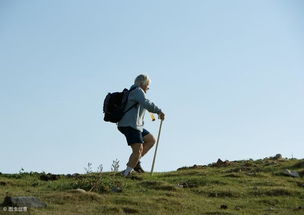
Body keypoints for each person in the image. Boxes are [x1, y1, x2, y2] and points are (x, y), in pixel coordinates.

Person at [117, 74, 165, 176]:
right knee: (138, 149)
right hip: (130, 124)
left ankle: (135, 162)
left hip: (134, 125)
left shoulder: (133, 92)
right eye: (148, 85)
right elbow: (146, 103)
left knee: (150, 140)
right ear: (143, 84)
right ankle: (126, 173)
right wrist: (159, 111)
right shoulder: (138, 91)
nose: (148, 88)